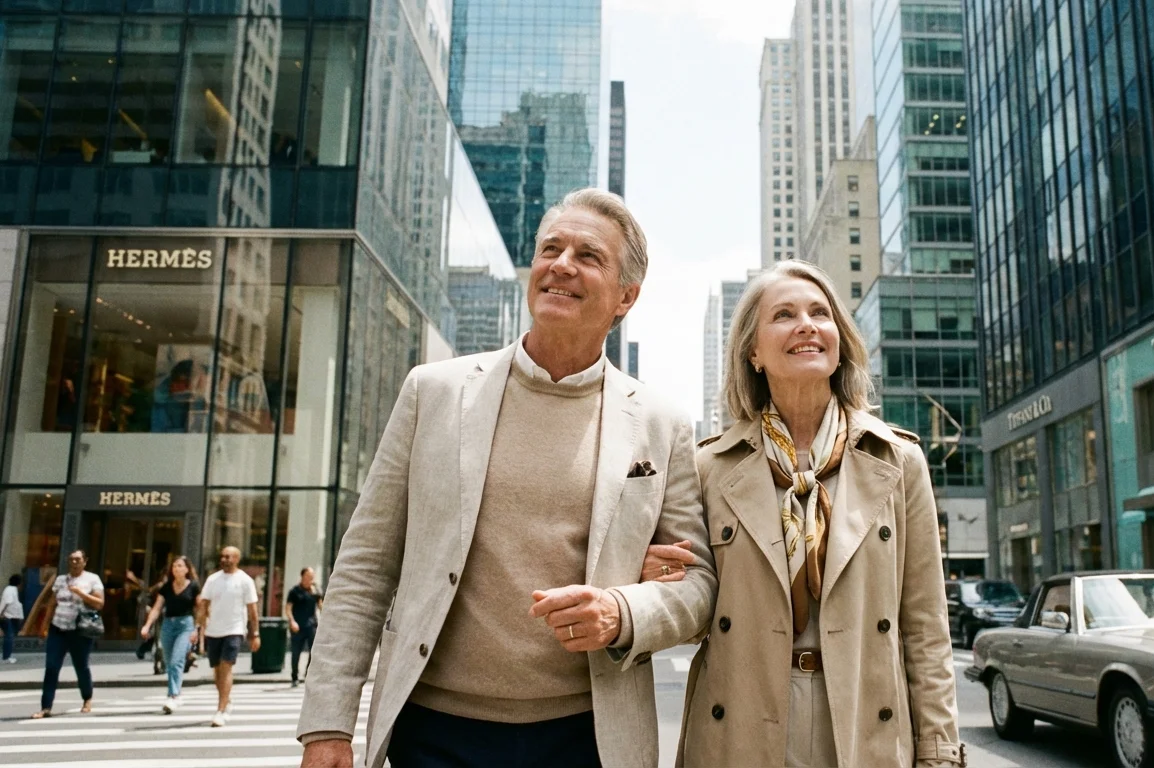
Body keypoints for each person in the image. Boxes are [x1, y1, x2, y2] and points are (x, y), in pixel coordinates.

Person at [296, 189, 717, 768]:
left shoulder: (662, 423)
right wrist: (326, 724)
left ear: (626, 297)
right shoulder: (432, 392)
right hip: (433, 733)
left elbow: (695, 586)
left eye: (588, 256)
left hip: (589, 737)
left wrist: (622, 611)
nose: (561, 264)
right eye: (551, 248)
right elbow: (366, 565)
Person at [650, 261, 964, 767]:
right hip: (742, 724)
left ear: (839, 342)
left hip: (864, 722)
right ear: (753, 351)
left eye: (821, 313)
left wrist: (939, 752)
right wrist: (663, 582)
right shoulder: (708, 467)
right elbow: (693, 614)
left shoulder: (899, 461)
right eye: (784, 314)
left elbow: (926, 627)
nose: (806, 325)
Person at [31, 551, 104, 718]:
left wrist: (81, 593)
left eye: (78, 559)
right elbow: (52, 603)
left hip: (80, 630)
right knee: (51, 667)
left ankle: (87, 698)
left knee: (81, 666)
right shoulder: (60, 579)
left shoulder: (93, 579)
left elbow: (100, 603)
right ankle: (46, 707)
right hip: (58, 628)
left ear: (85, 561)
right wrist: (44, 626)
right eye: (71, 559)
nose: (74, 562)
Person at [196, 547, 260, 727]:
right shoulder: (212, 579)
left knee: (226, 667)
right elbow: (203, 605)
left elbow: (252, 610)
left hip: (234, 629)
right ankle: (226, 700)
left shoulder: (245, 581)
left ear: (237, 559)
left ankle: (221, 710)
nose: (224, 559)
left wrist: (255, 634)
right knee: (217, 671)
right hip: (213, 630)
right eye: (222, 556)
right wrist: (198, 629)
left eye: (228, 556)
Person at [140, 556, 201, 713]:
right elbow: (157, 608)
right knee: (168, 663)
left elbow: (200, 609)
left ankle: (173, 696)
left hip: (185, 625)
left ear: (187, 569)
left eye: (180, 566)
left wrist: (197, 629)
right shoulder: (167, 587)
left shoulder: (193, 586)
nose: (176, 569)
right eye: (174, 566)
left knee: (176, 661)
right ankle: (176, 694)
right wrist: (147, 625)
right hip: (168, 625)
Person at [286, 567, 322, 688]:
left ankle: (308, 674)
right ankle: (294, 677)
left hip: (311, 625)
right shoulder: (295, 591)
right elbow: (288, 608)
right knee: (296, 652)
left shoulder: (315, 590)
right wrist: (292, 621)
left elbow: (321, 606)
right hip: (298, 626)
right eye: (307, 576)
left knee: (313, 651)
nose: (309, 579)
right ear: (302, 577)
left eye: (311, 577)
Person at [2, 574, 24, 663]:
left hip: (12, 616)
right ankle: (6, 657)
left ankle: (7, 655)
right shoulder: (11, 590)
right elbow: (7, 602)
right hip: (7, 616)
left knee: (10, 635)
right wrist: (2, 613)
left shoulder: (11, 589)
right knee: (9, 636)